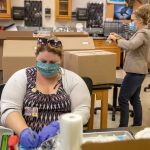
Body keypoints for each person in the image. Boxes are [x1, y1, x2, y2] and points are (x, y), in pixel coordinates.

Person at [0, 36, 91, 149]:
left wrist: (60, 125)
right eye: (43, 61)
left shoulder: (73, 81)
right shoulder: (20, 77)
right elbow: (9, 109)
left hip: (62, 142)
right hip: (27, 144)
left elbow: (83, 111)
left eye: (52, 62)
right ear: (36, 57)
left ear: (61, 59)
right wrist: (23, 131)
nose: (47, 66)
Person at [107, 4, 150, 127]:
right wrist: (118, 37)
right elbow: (132, 43)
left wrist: (115, 40)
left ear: (140, 20)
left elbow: (130, 46)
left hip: (135, 72)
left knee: (123, 98)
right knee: (134, 99)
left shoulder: (143, 33)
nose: (133, 21)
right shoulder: (143, 32)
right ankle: (137, 125)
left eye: (134, 19)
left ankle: (123, 127)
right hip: (138, 71)